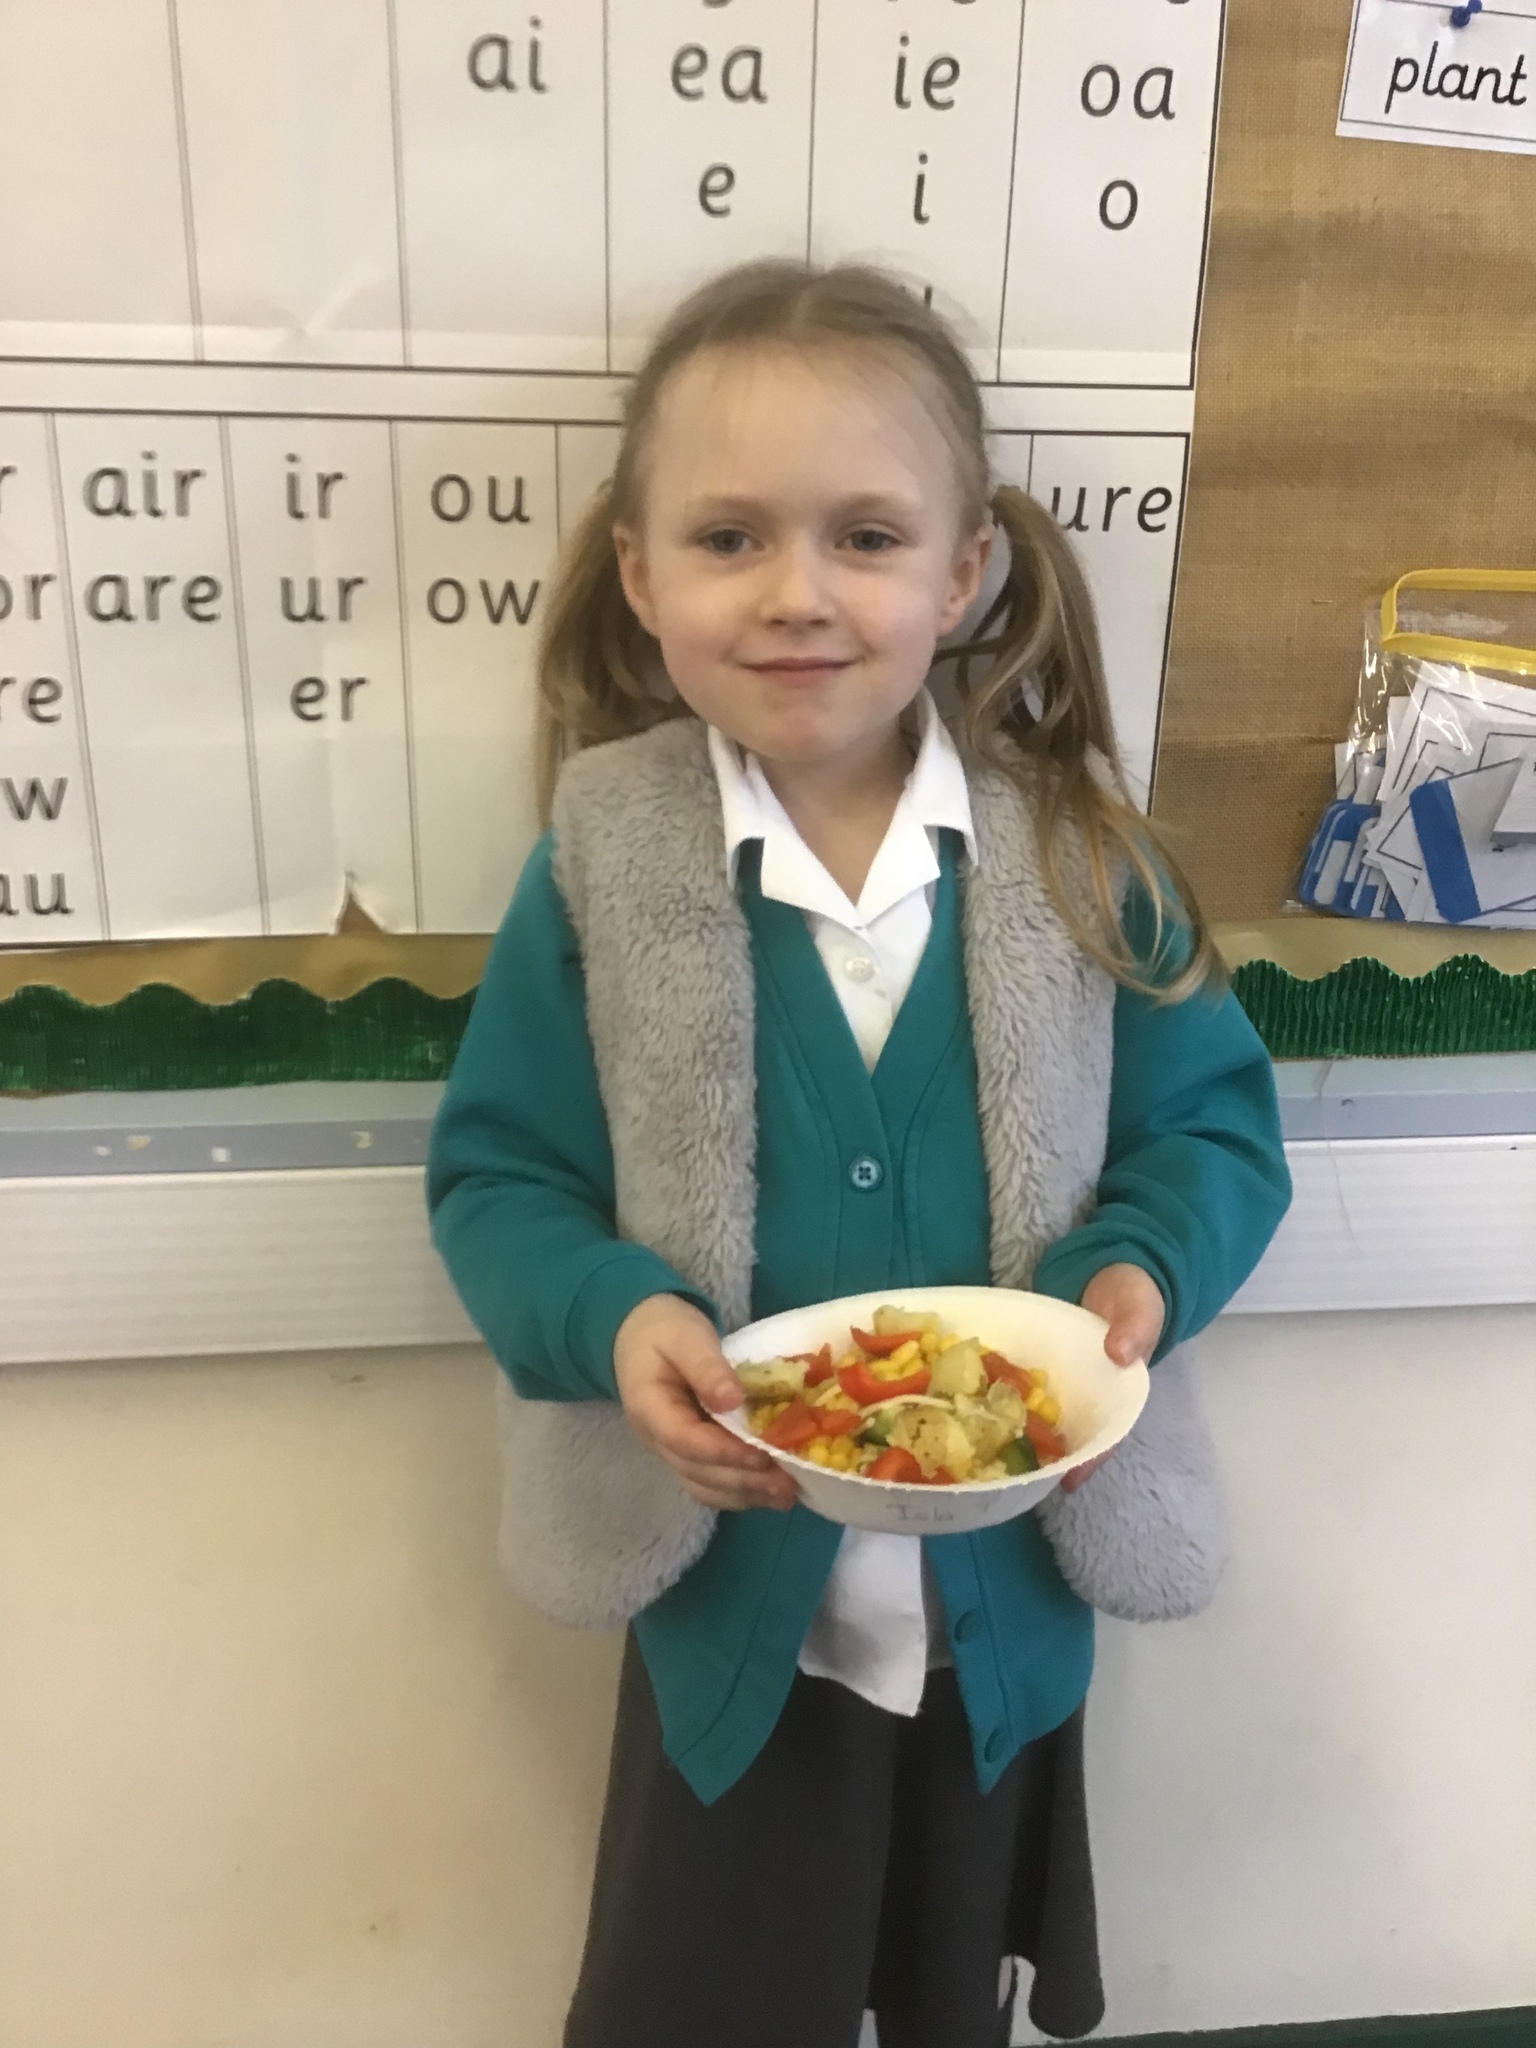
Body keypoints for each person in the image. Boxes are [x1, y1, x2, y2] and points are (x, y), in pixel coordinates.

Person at [427, 260, 1291, 2048]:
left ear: (962, 575)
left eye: (868, 537)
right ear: (640, 575)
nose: (798, 592)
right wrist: (612, 1317)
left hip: (1005, 1598)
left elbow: (1213, 1128)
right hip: (729, 1599)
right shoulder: (602, 861)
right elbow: (499, 1177)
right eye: (729, 536)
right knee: (713, 1988)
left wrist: (1140, 1266)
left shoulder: (1084, 857)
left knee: (947, 1991)